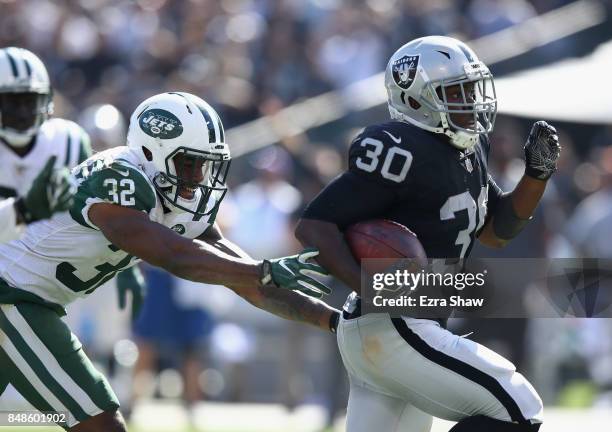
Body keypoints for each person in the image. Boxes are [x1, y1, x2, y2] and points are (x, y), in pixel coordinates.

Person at [0, 91, 340, 432]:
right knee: (101, 424)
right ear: (151, 151)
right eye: (188, 162)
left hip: (27, 299)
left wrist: (334, 321)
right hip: (12, 296)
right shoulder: (119, 176)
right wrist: (263, 271)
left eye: (204, 164)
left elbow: (248, 282)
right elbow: (171, 255)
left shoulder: (173, 196)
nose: (197, 177)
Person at [296, 36, 561, 432]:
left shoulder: (466, 150)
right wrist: (374, 288)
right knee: (520, 406)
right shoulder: (399, 148)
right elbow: (314, 226)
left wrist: (536, 175)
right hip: (396, 323)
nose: (470, 102)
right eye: (455, 92)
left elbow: (497, 231)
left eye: (471, 90)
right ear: (416, 99)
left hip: (397, 330)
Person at [0, 47, 81, 243]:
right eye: (12, 102)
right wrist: (23, 210)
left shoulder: (68, 141)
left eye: (30, 101)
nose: (22, 113)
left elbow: (101, 214)